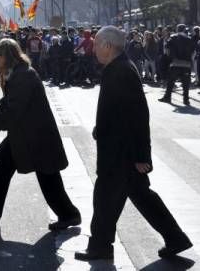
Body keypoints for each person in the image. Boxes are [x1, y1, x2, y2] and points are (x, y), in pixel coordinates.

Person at [75, 26, 192, 261]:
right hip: (120, 148)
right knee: (141, 196)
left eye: (97, 44)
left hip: (121, 152)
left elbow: (138, 116)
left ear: (108, 46)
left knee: (105, 197)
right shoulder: (117, 68)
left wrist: (142, 156)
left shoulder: (122, 71)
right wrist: (102, 128)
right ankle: (175, 238)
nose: (93, 48)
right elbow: (117, 111)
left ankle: (100, 246)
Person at [0, 38, 81, 230]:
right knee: (3, 167)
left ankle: (70, 215)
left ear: (6, 56)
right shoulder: (15, 73)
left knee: (48, 178)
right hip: (24, 135)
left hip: (37, 137)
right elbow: (6, 104)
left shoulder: (23, 76)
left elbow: (13, 112)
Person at [159, 24, 195, 105]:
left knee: (171, 82)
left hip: (175, 63)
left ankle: (167, 97)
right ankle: (186, 100)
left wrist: (169, 58)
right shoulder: (189, 39)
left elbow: (167, 48)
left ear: (177, 29)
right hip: (186, 64)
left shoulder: (173, 37)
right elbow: (193, 51)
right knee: (186, 84)